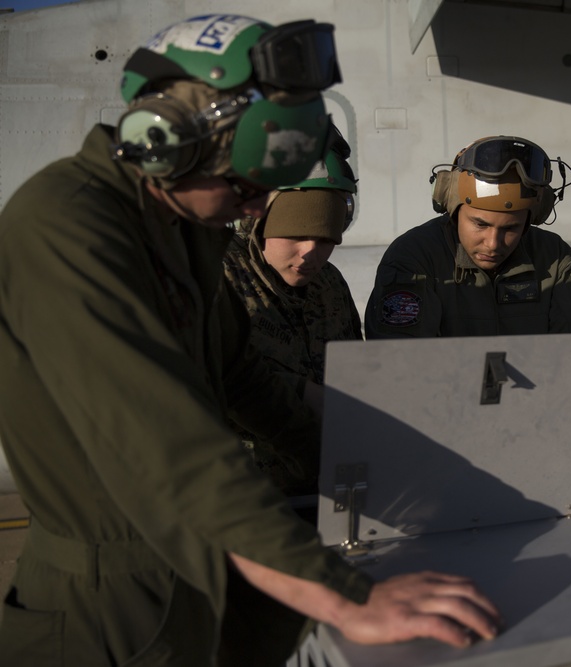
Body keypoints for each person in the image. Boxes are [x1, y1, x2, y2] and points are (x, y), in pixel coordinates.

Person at [0, 14, 499, 666]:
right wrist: (347, 597)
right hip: (109, 616)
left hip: (212, 581)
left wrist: (376, 468)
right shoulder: (66, 225)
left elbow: (243, 380)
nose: (258, 209)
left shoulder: (181, 227)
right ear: (166, 141)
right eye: (244, 186)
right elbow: (172, 446)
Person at [365, 135, 571, 471]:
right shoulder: (415, 258)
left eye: (512, 229)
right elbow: (402, 369)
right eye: (479, 224)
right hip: (440, 447)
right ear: (454, 206)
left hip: (536, 443)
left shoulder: (552, 256)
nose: (493, 243)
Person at [224, 143, 361, 496]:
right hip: (245, 496)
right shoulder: (218, 277)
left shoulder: (329, 283)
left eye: (325, 239)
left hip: (325, 488)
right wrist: (302, 393)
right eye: (296, 236)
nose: (309, 254)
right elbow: (200, 383)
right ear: (259, 221)